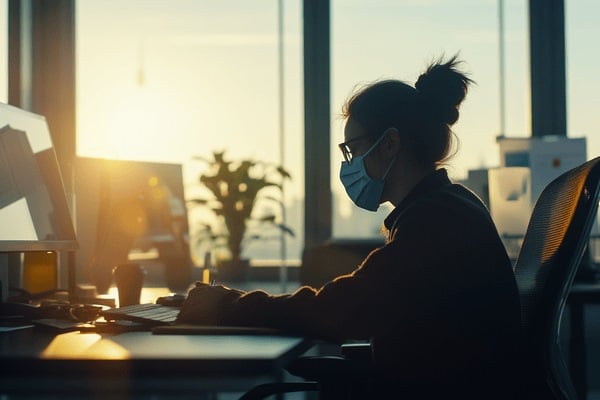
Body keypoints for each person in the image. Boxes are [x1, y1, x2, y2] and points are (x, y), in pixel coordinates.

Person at [178, 55, 523, 398]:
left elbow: (344, 310)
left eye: (353, 149)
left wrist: (226, 304)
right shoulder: (445, 206)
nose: (350, 163)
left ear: (389, 144)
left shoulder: (436, 219)